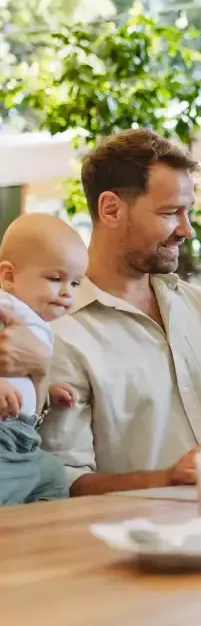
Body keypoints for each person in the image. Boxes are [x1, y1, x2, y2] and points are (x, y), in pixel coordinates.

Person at [39, 129, 201, 496]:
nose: (186, 230)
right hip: (127, 544)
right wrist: (167, 480)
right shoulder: (57, 330)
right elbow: (62, 483)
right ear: (111, 209)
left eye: (187, 211)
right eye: (169, 213)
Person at [0, 213, 87, 504]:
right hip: (3, 435)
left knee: (52, 478)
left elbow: (21, 373)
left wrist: (47, 389)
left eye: (75, 283)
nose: (66, 292)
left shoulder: (37, 322)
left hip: (25, 439)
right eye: (55, 278)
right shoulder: (5, 305)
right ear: (8, 276)